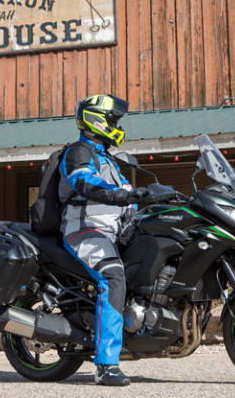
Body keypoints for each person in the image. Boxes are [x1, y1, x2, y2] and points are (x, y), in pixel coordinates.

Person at [59, 94, 140, 386]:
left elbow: (128, 193)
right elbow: (86, 183)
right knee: (113, 276)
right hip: (84, 230)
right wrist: (125, 196)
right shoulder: (79, 152)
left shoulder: (108, 158)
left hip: (112, 231)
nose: (117, 125)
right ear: (97, 120)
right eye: (113, 119)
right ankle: (106, 365)